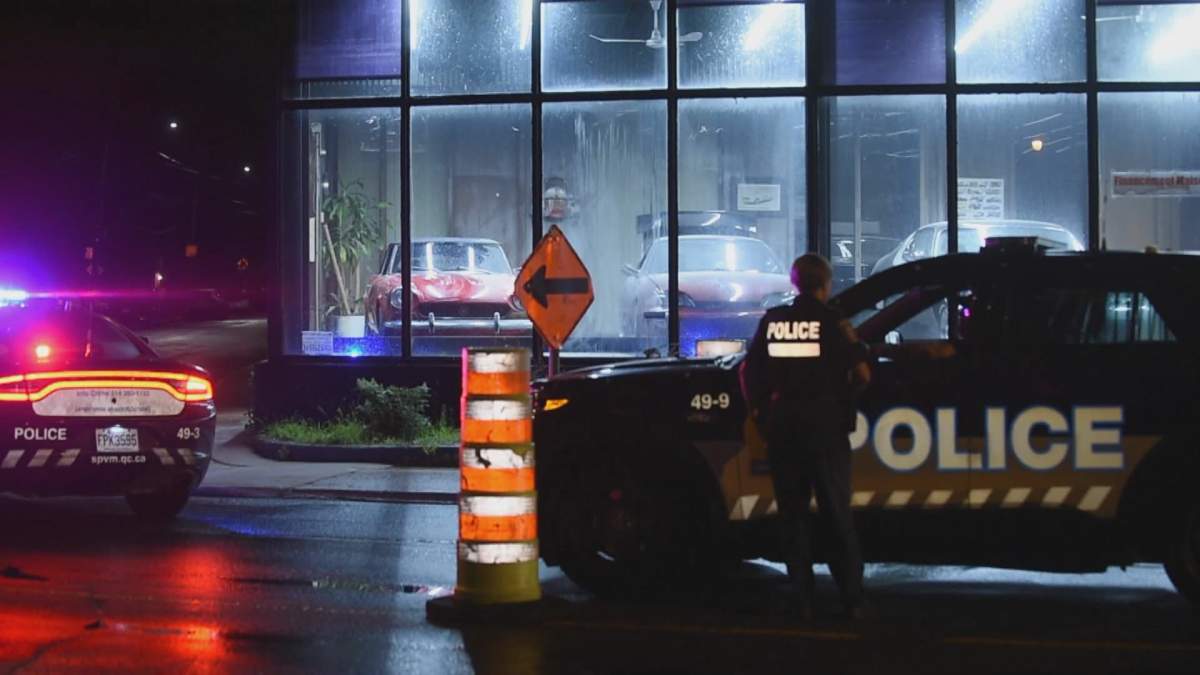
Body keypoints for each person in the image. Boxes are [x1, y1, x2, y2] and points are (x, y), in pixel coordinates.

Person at [739, 253, 872, 619]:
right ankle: (852, 598)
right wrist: (844, 401)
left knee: (793, 516)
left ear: (795, 282)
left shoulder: (774, 321)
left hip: (784, 428)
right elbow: (862, 374)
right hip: (826, 429)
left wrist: (760, 412)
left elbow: (749, 372)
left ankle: (801, 597)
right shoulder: (834, 323)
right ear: (825, 284)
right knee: (835, 514)